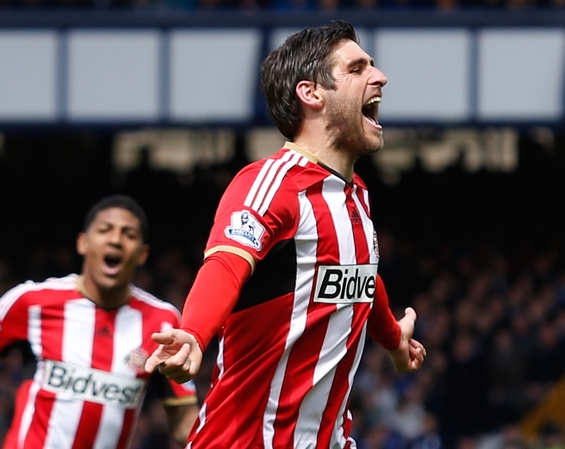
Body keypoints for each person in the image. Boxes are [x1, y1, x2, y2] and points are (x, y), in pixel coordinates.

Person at [144, 20, 426, 449]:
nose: (380, 76)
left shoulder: (357, 196)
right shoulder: (272, 184)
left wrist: (393, 340)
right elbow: (226, 263)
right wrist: (194, 333)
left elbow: (361, 275)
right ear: (311, 93)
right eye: (357, 68)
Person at [0, 194, 199, 449]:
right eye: (105, 230)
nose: (115, 240)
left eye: (128, 235)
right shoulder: (32, 302)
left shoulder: (163, 322)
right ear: (83, 243)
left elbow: (184, 422)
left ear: (142, 254)